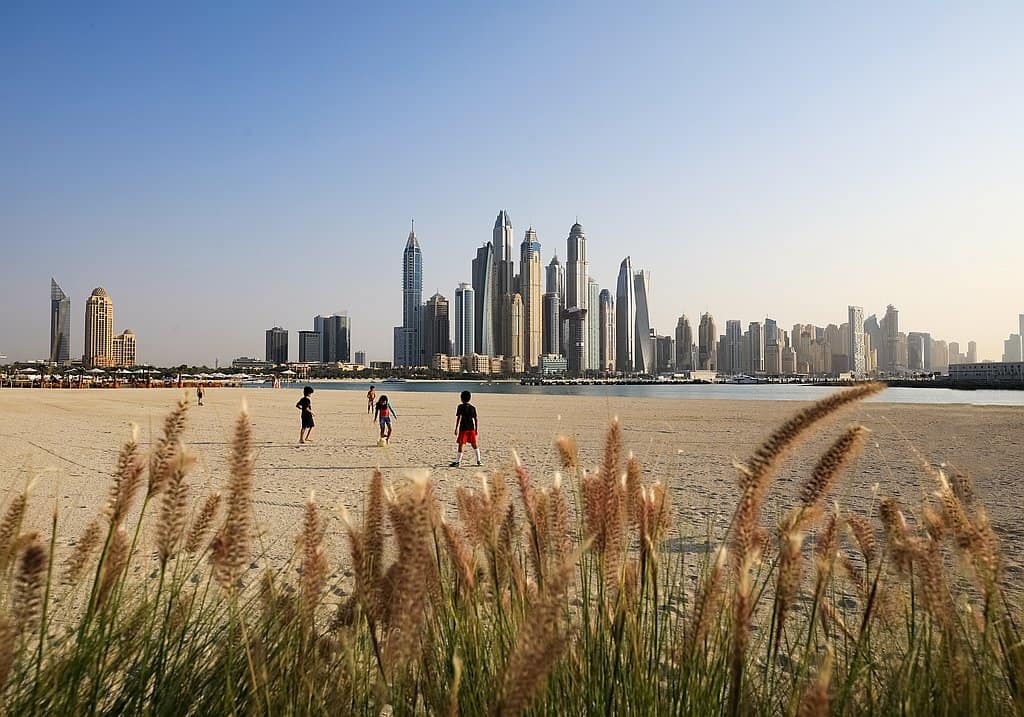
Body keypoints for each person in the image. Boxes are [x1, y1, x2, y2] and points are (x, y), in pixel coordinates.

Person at [450, 390, 482, 467]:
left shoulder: (460, 407)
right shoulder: (473, 408)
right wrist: (476, 429)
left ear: (461, 398)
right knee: (474, 444)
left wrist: (456, 428)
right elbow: (476, 419)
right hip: (471, 428)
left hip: (463, 429)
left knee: (461, 445)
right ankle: (479, 460)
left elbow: (459, 418)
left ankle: (458, 462)